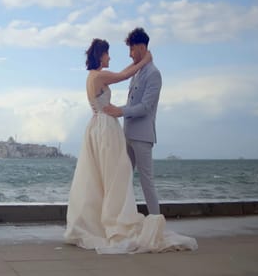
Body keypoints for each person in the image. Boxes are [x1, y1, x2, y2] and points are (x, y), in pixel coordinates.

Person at [64, 38, 196, 254]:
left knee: (106, 176)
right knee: (116, 174)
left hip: (96, 125)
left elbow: (123, 72)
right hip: (106, 127)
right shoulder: (101, 75)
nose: (110, 57)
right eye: (107, 53)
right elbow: (124, 75)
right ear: (100, 55)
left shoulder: (93, 76)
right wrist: (146, 60)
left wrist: (142, 61)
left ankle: (106, 217)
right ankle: (116, 220)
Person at [104, 27, 160, 215]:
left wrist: (120, 111)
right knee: (123, 180)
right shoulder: (137, 72)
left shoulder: (154, 74)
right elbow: (131, 101)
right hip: (128, 134)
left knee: (146, 182)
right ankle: (123, 219)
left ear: (142, 48)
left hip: (143, 137)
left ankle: (156, 224)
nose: (129, 54)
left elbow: (145, 107)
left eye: (132, 49)